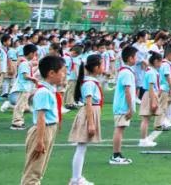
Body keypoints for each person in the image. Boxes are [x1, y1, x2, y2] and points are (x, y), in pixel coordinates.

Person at [20, 53, 65, 185]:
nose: (64, 75)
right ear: (51, 73)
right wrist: (39, 140)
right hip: (43, 131)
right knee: (33, 172)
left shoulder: (49, 90)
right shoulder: (44, 92)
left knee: (38, 170)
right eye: (62, 72)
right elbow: (41, 118)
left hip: (49, 129)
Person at [69, 53, 103, 185]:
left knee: (82, 147)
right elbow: (88, 103)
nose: (103, 67)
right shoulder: (89, 83)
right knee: (81, 147)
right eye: (101, 64)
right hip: (89, 114)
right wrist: (91, 124)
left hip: (91, 112)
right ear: (95, 67)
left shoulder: (91, 81)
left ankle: (76, 178)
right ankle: (76, 178)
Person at [110, 45, 137, 165]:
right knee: (119, 129)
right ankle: (115, 155)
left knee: (121, 129)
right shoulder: (126, 72)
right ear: (130, 58)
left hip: (122, 106)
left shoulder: (126, 71)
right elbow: (127, 91)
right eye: (135, 57)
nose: (136, 59)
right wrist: (130, 108)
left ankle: (118, 154)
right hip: (123, 106)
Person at [11, 42, 39, 130]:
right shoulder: (24, 63)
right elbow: (25, 76)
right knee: (20, 105)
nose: (35, 56)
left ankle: (19, 121)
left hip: (25, 87)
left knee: (22, 105)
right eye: (35, 54)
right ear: (31, 53)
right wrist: (34, 79)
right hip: (23, 87)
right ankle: (16, 122)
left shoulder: (26, 63)